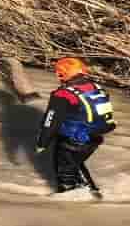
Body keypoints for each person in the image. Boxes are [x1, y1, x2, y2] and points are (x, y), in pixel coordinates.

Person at [35, 57, 117, 194]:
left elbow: (50, 121)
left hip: (73, 141)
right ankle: (93, 192)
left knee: (65, 175)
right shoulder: (96, 87)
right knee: (75, 164)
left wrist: (42, 143)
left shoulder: (63, 94)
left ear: (62, 74)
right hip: (95, 138)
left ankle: (70, 204)